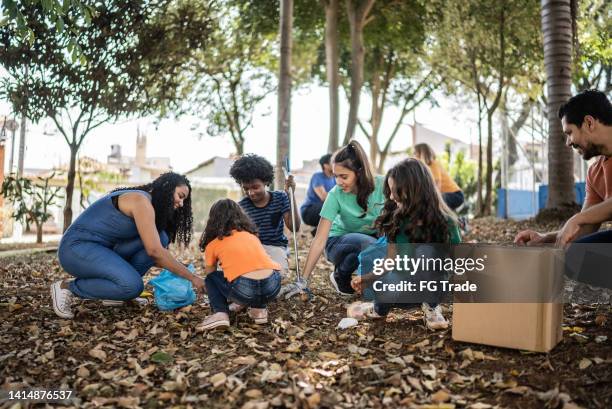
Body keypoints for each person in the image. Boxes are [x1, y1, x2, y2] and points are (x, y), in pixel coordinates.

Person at [51, 172, 204, 319]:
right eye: (180, 196)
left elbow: (155, 253)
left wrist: (180, 270)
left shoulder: (149, 205)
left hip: (104, 249)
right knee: (132, 287)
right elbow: (154, 252)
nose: (181, 203)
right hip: (75, 249)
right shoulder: (140, 201)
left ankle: (116, 294)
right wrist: (192, 278)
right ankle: (67, 287)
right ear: (167, 187)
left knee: (161, 237)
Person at [514, 90, 612, 289]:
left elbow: (581, 219)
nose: (568, 142)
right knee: (576, 254)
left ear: (589, 123)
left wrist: (577, 219)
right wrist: (546, 238)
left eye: (569, 132)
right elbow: (585, 226)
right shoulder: (595, 172)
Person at [348, 159, 462, 329]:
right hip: (402, 288)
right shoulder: (397, 219)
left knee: (426, 252)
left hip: (432, 287)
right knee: (386, 282)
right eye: (390, 190)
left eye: (395, 190)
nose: (392, 196)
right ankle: (378, 308)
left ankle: (431, 308)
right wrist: (367, 278)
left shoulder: (446, 223)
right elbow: (390, 261)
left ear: (415, 189)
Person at [280, 140, 385, 298]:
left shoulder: (382, 185)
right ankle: (346, 274)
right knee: (371, 244)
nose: (338, 182)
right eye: (335, 176)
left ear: (360, 171)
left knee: (383, 246)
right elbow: (319, 239)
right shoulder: (335, 194)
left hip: (370, 240)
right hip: (337, 242)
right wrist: (303, 280)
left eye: (344, 176)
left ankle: (342, 277)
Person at [198, 199, 282, 330]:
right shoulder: (251, 236)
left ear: (213, 221)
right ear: (240, 216)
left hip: (244, 289)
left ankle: (220, 313)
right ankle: (259, 310)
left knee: (212, 278)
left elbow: (211, 274)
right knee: (256, 273)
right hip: (272, 286)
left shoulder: (213, 244)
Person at [229, 154, 300, 277]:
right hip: (251, 249)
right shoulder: (241, 207)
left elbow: (294, 227)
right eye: (246, 188)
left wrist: (290, 195)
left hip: (275, 247)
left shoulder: (280, 198)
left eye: (255, 187)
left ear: (266, 181)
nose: (251, 193)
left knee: (277, 275)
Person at [413, 143, 465, 211]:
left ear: (422, 154)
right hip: (447, 195)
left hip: (455, 195)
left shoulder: (433, 164)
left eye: (415, 153)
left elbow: (437, 185)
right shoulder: (424, 168)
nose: (413, 155)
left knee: (433, 202)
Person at [300, 153, 336, 234]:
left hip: (323, 210)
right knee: (333, 207)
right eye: (333, 162)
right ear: (325, 165)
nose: (336, 163)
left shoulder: (335, 179)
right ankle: (318, 232)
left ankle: (317, 232)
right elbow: (324, 197)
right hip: (308, 211)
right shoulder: (317, 176)